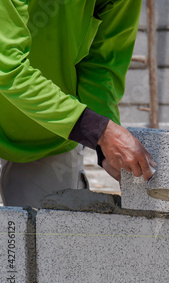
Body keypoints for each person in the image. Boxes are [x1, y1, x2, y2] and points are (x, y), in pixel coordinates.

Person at [0, 0, 156, 207]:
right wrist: (99, 130)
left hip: (49, 132)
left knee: (50, 234)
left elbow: (102, 66)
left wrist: (105, 141)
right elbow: (7, 69)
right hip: (55, 119)